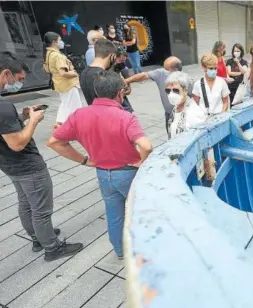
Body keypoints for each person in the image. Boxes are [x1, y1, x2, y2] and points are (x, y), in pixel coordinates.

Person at [48, 70, 153, 259]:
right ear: (120, 93)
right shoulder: (126, 117)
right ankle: (143, 251)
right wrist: (141, 161)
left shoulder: (79, 115)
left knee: (114, 215)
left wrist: (84, 160)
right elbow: (146, 145)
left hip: (103, 173)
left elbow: (54, 142)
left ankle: (120, 251)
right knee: (140, 211)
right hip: (129, 173)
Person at [0, 56, 83, 261]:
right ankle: (52, 248)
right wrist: (34, 121)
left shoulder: (4, 109)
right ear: (5, 74)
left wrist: (23, 116)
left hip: (9, 165)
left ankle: (38, 238)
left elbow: (5, 128)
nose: (17, 84)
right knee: (41, 209)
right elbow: (17, 143)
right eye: (17, 79)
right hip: (27, 165)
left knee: (25, 202)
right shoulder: (2, 107)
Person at [125, 56, 184, 132]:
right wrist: (126, 81)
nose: (163, 70)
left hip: (183, 114)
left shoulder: (186, 81)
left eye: (166, 69)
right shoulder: (161, 73)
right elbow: (143, 75)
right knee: (171, 136)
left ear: (175, 71)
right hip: (169, 115)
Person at [43, 31, 85, 127]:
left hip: (59, 83)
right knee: (74, 106)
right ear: (54, 42)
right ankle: (72, 126)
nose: (62, 42)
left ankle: (61, 124)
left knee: (66, 105)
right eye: (60, 40)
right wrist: (75, 73)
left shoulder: (48, 54)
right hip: (68, 84)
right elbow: (63, 72)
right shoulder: (57, 56)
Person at [165, 71, 207, 139]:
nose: (171, 94)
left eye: (176, 90)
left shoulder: (195, 113)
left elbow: (201, 140)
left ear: (185, 90)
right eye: (168, 91)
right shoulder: (176, 108)